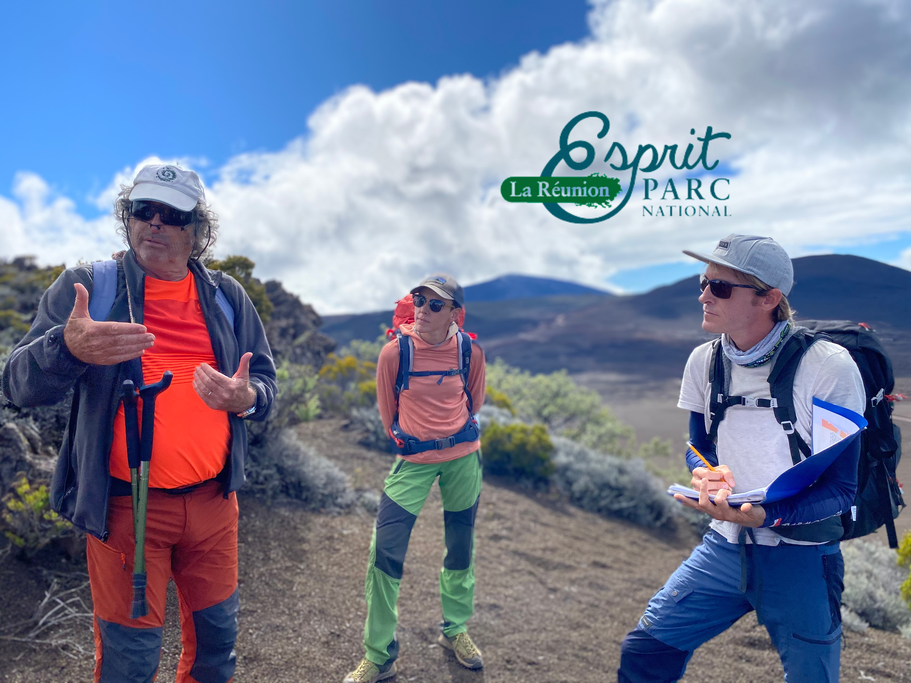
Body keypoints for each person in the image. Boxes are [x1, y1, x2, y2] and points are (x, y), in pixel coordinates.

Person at [1, 163, 276, 683]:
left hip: (216, 506)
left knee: (216, 654)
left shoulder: (227, 297)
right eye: (142, 210)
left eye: (171, 214)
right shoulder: (90, 288)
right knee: (130, 663)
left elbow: (265, 385)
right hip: (127, 509)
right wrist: (67, 347)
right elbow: (17, 384)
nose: (154, 222)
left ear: (196, 231)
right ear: (127, 219)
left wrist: (247, 398)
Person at [617, 235, 865, 682]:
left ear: (770, 298)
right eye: (704, 282)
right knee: (646, 652)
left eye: (722, 288)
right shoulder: (703, 361)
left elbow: (843, 488)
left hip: (804, 558)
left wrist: (768, 516)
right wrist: (706, 475)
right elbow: (698, 446)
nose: (704, 296)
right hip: (725, 546)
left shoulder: (830, 367)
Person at [345, 274, 486, 683]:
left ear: (456, 313)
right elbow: (387, 412)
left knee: (460, 547)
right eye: (419, 300)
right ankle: (379, 655)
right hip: (414, 462)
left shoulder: (470, 352)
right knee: (384, 553)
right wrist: (417, 441)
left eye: (435, 304)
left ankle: (455, 630)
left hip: (463, 459)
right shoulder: (395, 353)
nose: (423, 310)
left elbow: (474, 401)